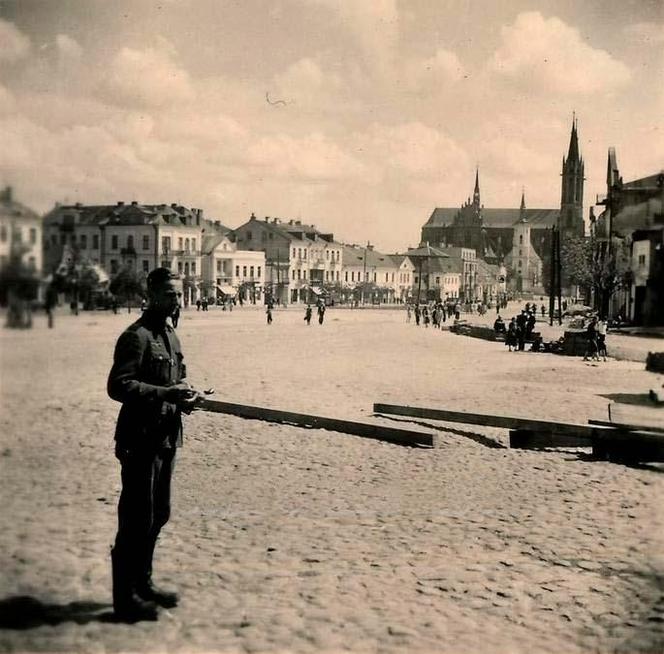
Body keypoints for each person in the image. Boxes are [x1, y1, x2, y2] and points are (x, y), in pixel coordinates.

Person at [107, 268, 200, 622]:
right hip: (139, 439)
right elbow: (118, 386)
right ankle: (124, 597)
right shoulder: (137, 337)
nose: (176, 300)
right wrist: (165, 393)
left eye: (178, 294)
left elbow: (177, 377)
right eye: (169, 294)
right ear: (151, 295)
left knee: (158, 514)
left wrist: (186, 396)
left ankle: (143, 583)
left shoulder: (171, 336)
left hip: (166, 436)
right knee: (135, 518)